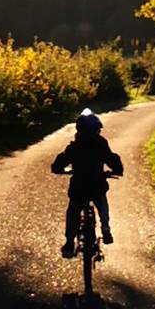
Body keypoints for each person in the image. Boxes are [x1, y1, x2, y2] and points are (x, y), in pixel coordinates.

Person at [52, 109, 122, 258]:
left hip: (79, 186)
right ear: (98, 129)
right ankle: (105, 228)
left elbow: (61, 161)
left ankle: (70, 242)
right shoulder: (101, 144)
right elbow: (111, 158)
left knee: (73, 211)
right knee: (102, 203)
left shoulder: (74, 146)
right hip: (97, 184)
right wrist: (117, 170)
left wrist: (58, 169)